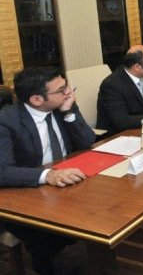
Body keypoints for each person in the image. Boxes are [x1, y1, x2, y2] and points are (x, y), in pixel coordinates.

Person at [0, 67, 96, 274]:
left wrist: (69, 112)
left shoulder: (61, 104)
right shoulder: (6, 121)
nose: (68, 92)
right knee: (51, 238)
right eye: (61, 90)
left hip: (69, 187)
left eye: (66, 86)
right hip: (26, 195)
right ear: (36, 100)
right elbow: (3, 171)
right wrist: (47, 175)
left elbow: (87, 141)